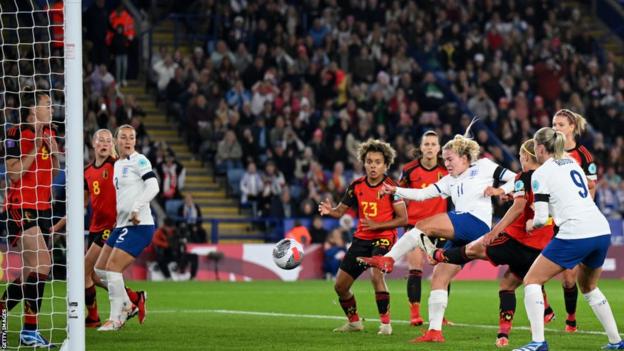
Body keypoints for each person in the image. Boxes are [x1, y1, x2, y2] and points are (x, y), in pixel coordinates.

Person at [359, 122, 516, 343]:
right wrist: (395, 189)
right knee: (439, 277)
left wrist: (501, 190)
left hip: (476, 224)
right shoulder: (449, 180)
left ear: (463, 157)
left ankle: (388, 259)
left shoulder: (484, 166)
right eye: (445, 159)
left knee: (423, 225)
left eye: (450, 159)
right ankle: (434, 331)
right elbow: (422, 195)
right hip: (462, 231)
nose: (447, 163)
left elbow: (516, 177)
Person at [428, 139, 556, 347]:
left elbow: (518, 209)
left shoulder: (524, 176)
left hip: (517, 240)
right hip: (541, 245)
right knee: (508, 284)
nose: (519, 160)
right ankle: (504, 334)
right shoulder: (550, 178)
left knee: (476, 248)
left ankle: (440, 255)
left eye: (520, 156)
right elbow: (535, 202)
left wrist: (495, 231)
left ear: (526, 157)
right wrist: (504, 193)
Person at [512, 128, 624, 351]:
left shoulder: (540, 174)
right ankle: (616, 341)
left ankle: (538, 342)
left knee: (532, 281)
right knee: (590, 287)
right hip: (601, 230)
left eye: (535, 146)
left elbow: (542, 218)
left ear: (541, 148)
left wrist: (531, 224)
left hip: (576, 232)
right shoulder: (572, 163)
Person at [319, 139, 408, 335]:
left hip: (384, 238)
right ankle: (354, 322)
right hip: (361, 239)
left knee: (376, 274)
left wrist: (378, 225)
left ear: (385, 165)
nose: (373, 166)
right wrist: (329, 210)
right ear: (364, 163)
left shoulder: (391, 187)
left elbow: (404, 219)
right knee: (340, 286)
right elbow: (340, 211)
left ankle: (385, 325)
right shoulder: (356, 185)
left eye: (377, 162)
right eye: (369, 161)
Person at [1, 91, 58, 347]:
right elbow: (13, 174)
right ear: (33, 110)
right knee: (44, 263)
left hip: (44, 208)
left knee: (27, 273)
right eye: (47, 105)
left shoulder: (51, 133)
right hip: (20, 205)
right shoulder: (15, 134)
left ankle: (3, 309)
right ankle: (30, 331)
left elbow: (52, 173)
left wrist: (55, 154)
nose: (52, 109)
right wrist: (35, 148)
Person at [95, 124, 159, 331]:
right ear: (117, 141)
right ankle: (131, 303)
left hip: (139, 225)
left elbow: (153, 186)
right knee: (100, 268)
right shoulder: (118, 164)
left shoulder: (139, 160)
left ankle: (116, 318)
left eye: (131, 137)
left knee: (113, 268)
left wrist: (136, 208)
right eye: (123, 137)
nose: (128, 141)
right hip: (122, 225)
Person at [82, 129, 143, 327]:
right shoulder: (87, 172)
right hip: (94, 227)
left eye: (109, 141)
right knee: (92, 275)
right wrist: (59, 224)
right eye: (101, 140)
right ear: (93, 143)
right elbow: (81, 203)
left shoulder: (116, 165)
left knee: (84, 271)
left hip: (111, 226)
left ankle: (94, 317)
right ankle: (132, 298)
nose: (105, 144)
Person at [552, 109, 597, 333]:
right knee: (565, 277)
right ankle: (554, 311)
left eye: (560, 125)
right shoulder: (549, 153)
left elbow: (592, 186)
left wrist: (584, 213)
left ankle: (571, 319)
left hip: (577, 221)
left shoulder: (584, 156)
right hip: (553, 219)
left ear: (571, 128)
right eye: (554, 124)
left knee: (575, 279)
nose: (556, 129)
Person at [399, 131, 449, 326]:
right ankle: (415, 314)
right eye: (426, 144)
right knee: (415, 266)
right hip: (415, 224)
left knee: (444, 269)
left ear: (439, 148)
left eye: (433, 144)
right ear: (421, 148)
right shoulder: (409, 170)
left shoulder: (447, 169)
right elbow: (399, 195)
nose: (429, 147)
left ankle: (440, 315)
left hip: (441, 224)